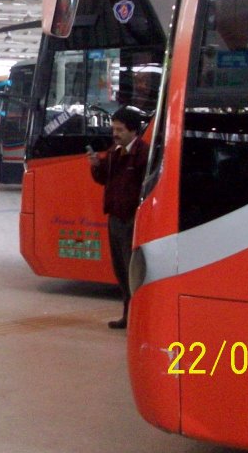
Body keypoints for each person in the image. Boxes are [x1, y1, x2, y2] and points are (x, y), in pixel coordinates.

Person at [87, 106, 149, 330]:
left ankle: (138, 317)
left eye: (120, 129)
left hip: (131, 220)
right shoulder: (115, 152)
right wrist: (95, 166)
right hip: (115, 218)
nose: (115, 133)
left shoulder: (143, 154)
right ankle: (127, 315)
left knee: (133, 271)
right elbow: (104, 178)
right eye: (113, 128)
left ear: (133, 131)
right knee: (121, 271)